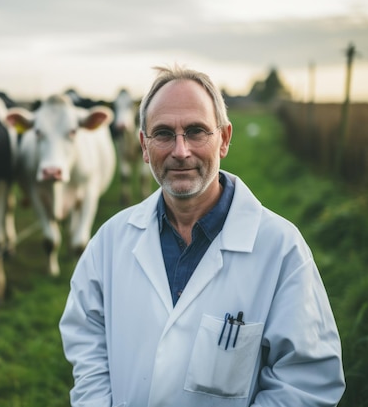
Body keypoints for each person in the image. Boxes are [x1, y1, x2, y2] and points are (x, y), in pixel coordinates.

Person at [58, 65, 345, 406]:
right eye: (163, 133)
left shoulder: (280, 250)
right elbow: (86, 335)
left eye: (196, 131)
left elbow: (307, 381)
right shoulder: (110, 241)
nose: (180, 151)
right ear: (144, 146)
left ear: (223, 139)